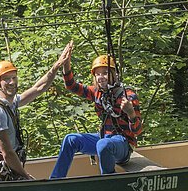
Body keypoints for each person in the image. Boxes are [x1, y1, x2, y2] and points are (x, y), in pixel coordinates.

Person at [49, 42, 143, 179]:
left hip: (122, 145)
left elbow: (138, 131)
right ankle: (56, 180)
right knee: (71, 139)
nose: (101, 77)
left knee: (103, 144)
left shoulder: (127, 96)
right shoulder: (97, 93)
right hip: (105, 138)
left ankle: (108, 180)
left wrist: (131, 113)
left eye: (105, 73)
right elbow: (71, 86)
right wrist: (66, 63)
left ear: (113, 75)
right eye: (98, 74)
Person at [0, 46, 71, 181]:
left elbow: (38, 88)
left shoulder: (12, 103)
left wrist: (56, 66)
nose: (11, 82)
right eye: (6, 79)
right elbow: (7, 153)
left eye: (13, 77)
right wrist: (25, 176)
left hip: (10, 168)